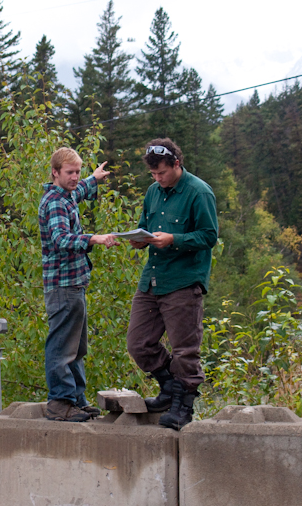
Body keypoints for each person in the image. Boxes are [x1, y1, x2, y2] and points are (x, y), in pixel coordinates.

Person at [126, 137, 218, 430]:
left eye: (162, 173)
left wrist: (174, 240)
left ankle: (183, 406)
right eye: (153, 175)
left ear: (176, 164)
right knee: (138, 343)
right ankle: (169, 390)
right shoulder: (153, 192)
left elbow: (208, 236)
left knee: (185, 349)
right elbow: (144, 223)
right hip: (153, 278)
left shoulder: (199, 192)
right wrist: (139, 240)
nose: (157, 179)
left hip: (183, 280)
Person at [39, 147, 120, 422]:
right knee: (62, 345)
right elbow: (61, 239)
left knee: (76, 347)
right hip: (63, 285)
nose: (75, 177)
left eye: (78, 172)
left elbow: (80, 190)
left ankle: (76, 399)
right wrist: (93, 238)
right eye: (69, 172)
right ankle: (60, 403)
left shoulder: (68, 193)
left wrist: (94, 179)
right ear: (55, 172)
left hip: (75, 283)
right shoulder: (54, 202)